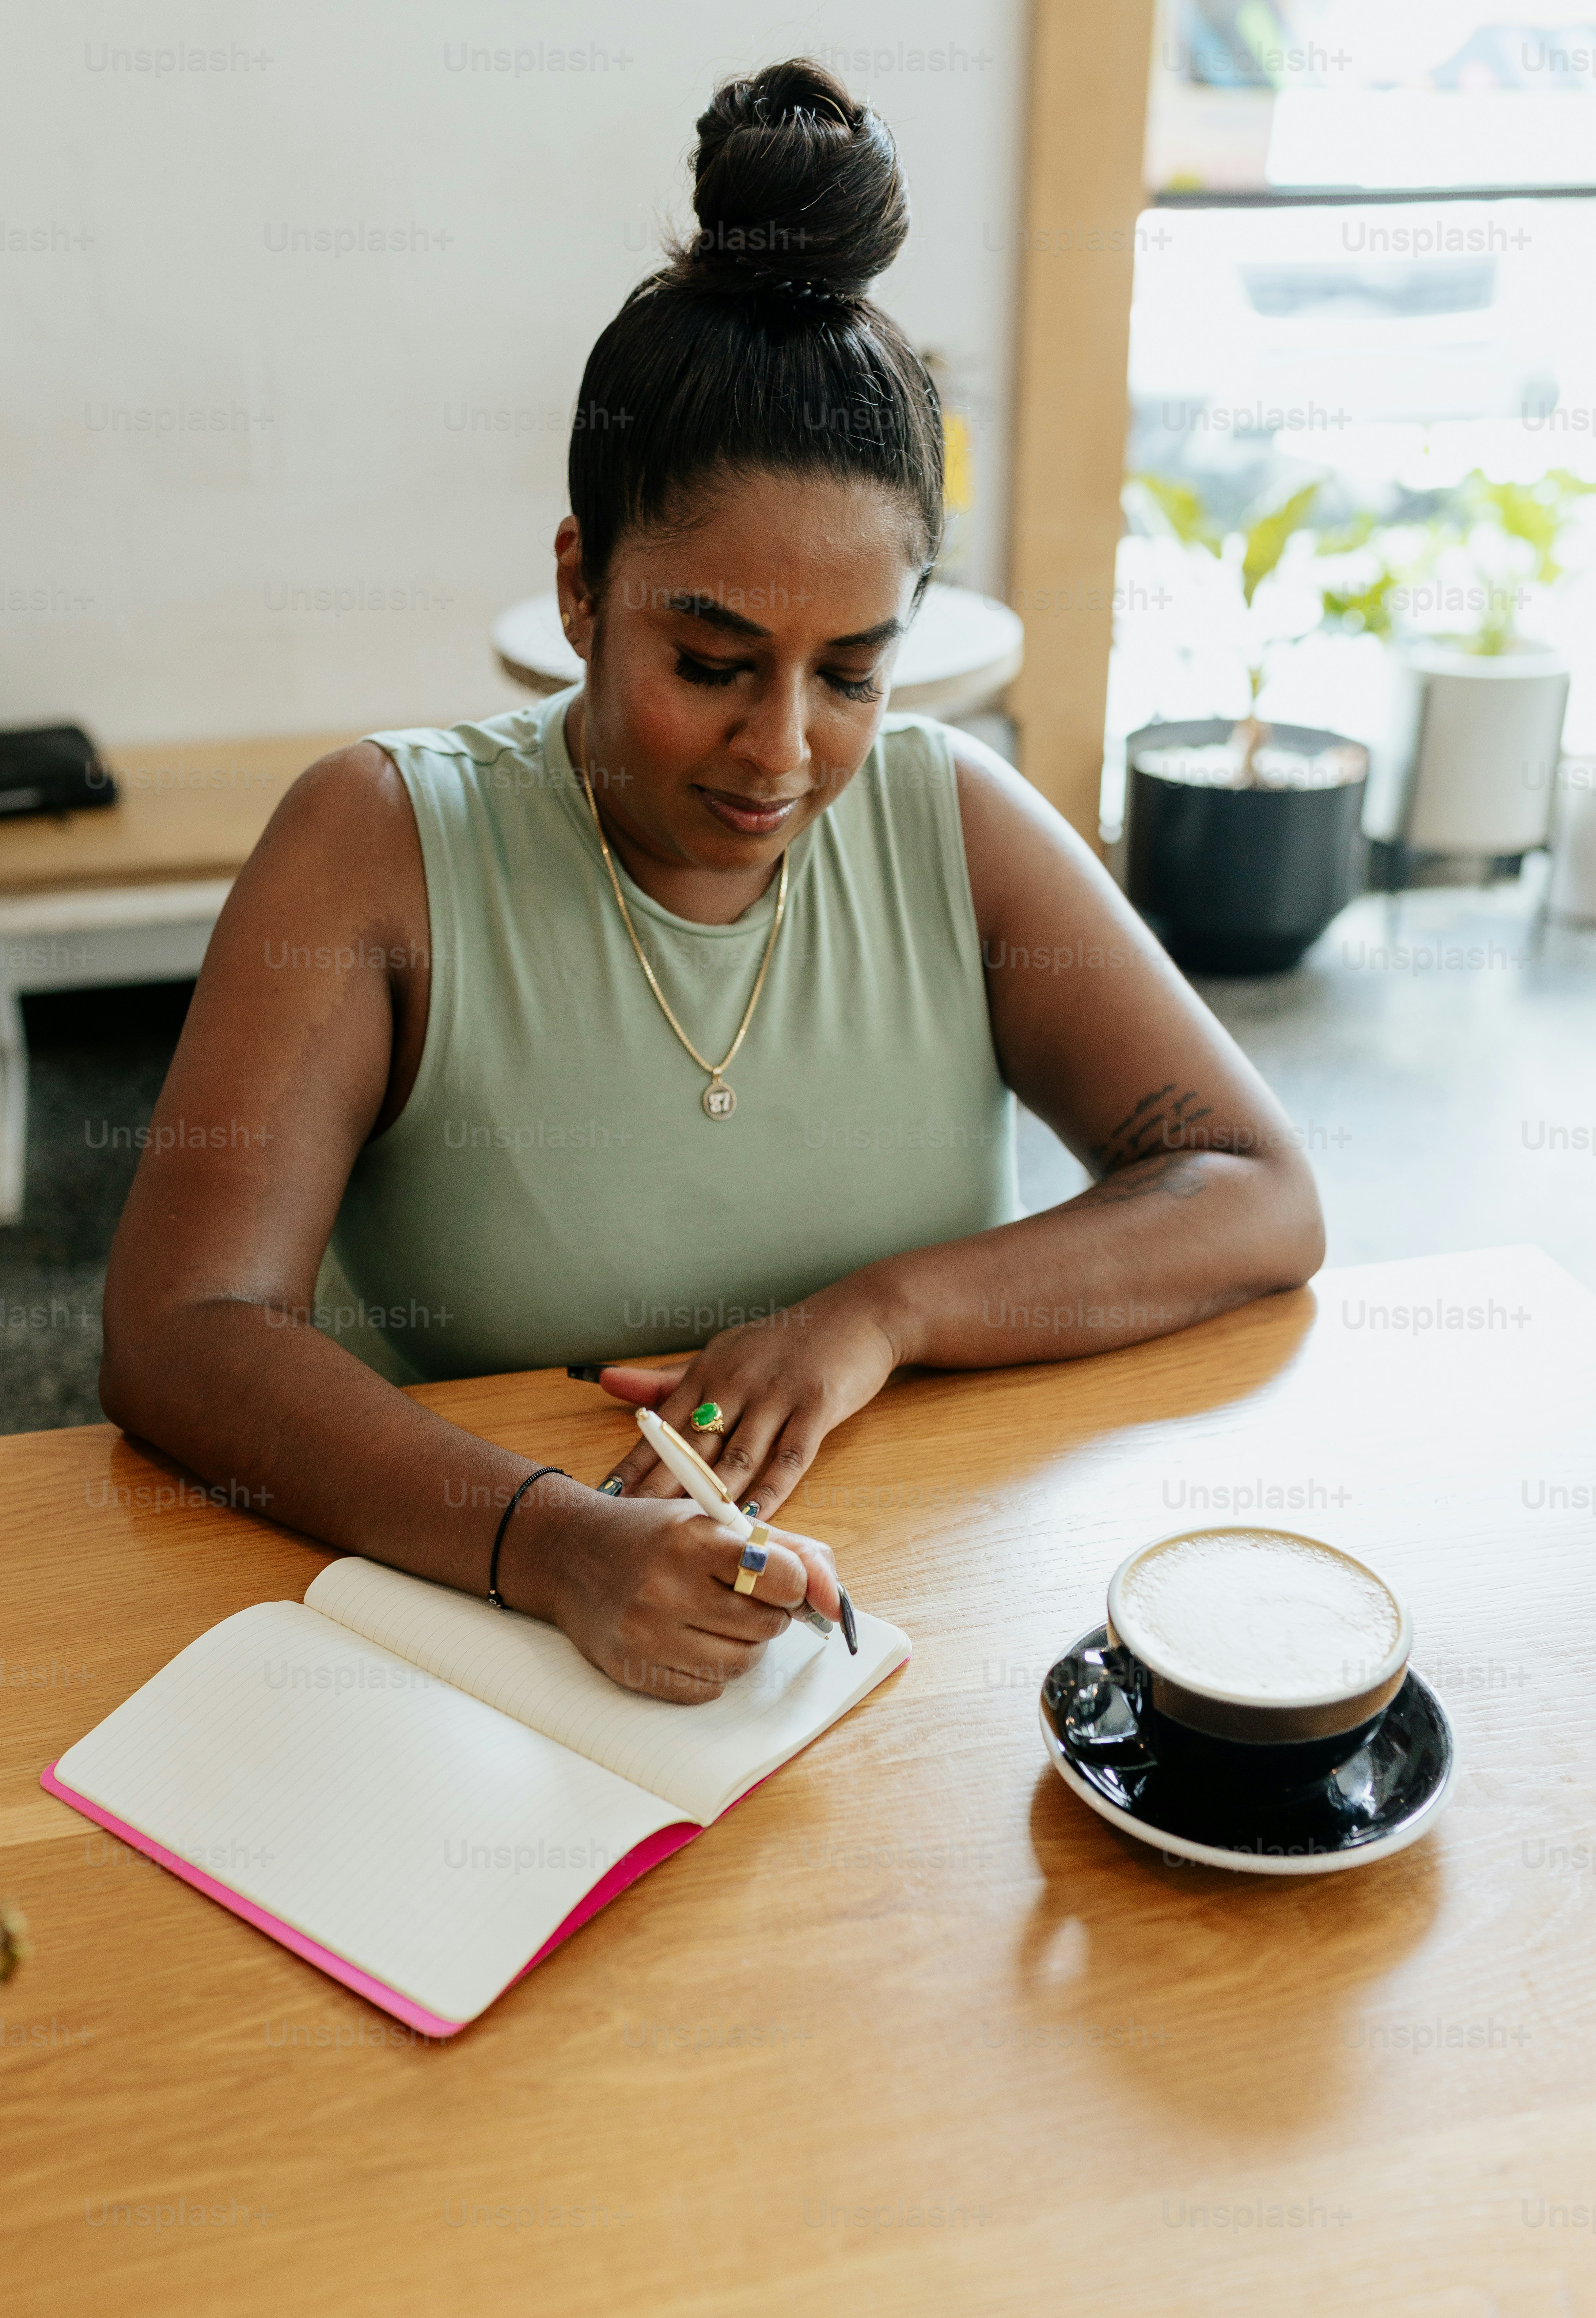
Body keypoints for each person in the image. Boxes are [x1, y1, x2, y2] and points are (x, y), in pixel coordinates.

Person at [100, 59, 1324, 1703]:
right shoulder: (378, 844)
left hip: (888, 1647)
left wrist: (882, 1312)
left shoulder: (947, 818)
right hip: (477, 1658)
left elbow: (1257, 1190)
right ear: (583, 585)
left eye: (851, 672)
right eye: (714, 658)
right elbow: (181, 1331)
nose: (784, 753)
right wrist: (550, 1545)